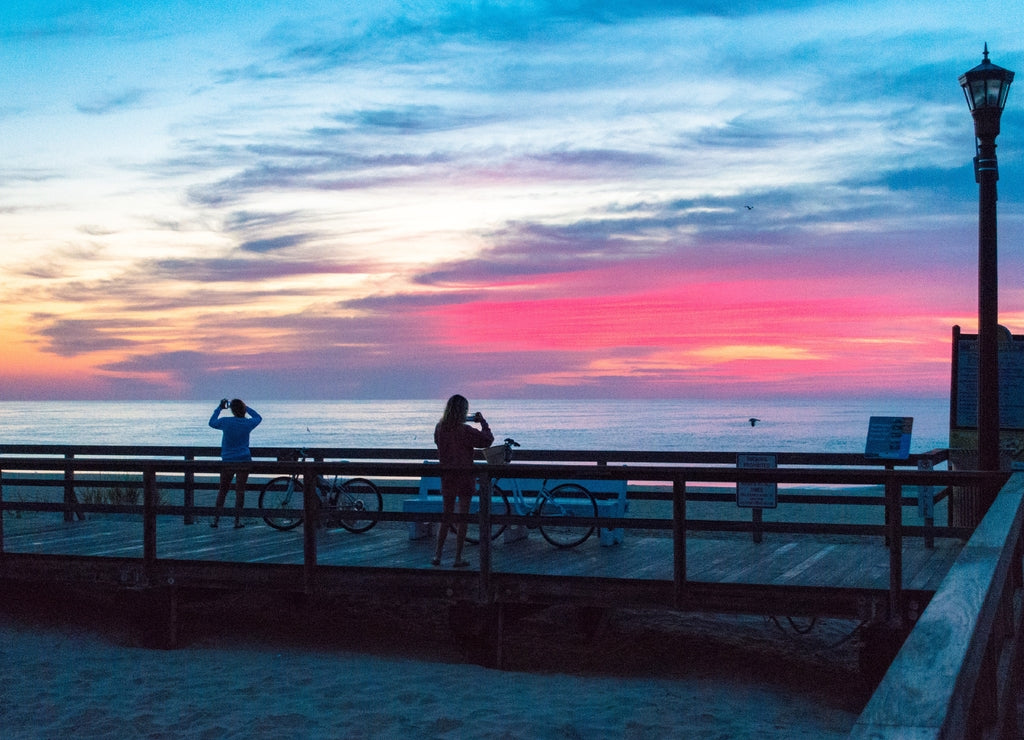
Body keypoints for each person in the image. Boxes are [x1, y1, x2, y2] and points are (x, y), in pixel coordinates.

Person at [432, 394, 494, 567]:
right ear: (463, 411)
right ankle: (458, 557)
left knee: (447, 516)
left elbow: (437, 442)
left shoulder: (440, 428)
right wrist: (483, 422)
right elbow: (487, 441)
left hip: (447, 476)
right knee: (462, 518)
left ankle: (437, 555)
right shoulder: (465, 430)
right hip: (465, 477)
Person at [208, 398, 262, 529]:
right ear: (243, 409)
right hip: (243, 459)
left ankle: (216, 520)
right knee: (240, 491)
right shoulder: (248, 423)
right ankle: (237, 521)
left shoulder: (226, 422)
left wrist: (220, 408)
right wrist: (246, 407)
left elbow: (211, 423)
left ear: (231, 410)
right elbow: (258, 417)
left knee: (223, 490)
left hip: (228, 460)